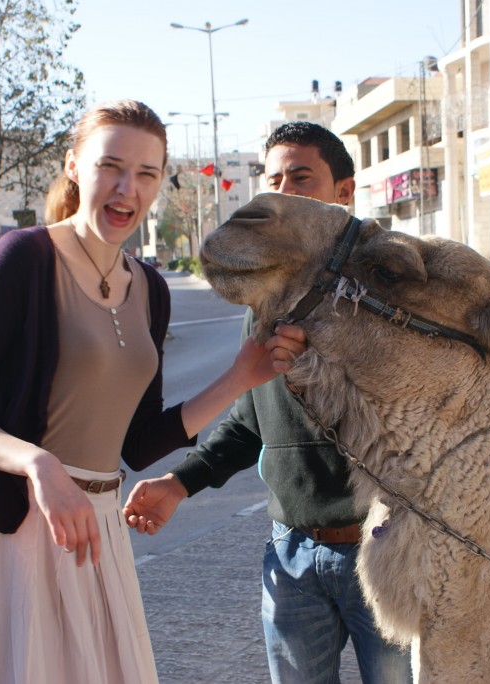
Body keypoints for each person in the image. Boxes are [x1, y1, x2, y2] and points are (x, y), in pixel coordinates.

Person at [0, 99, 303, 684]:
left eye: (146, 173)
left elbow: (140, 442)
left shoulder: (149, 287)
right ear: (75, 166)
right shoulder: (24, 258)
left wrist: (240, 377)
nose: (127, 189)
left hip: (98, 533)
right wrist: (39, 465)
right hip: (15, 534)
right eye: (110, 166)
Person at [124, 121, 412, 683]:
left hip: (386, 553)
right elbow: (248, 423)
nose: (282, 192)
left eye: (300, 178)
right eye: (273, 178)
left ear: (344, 192)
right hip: (292, 556)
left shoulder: (392, 295)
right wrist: (177, 484)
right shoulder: (263, 305)